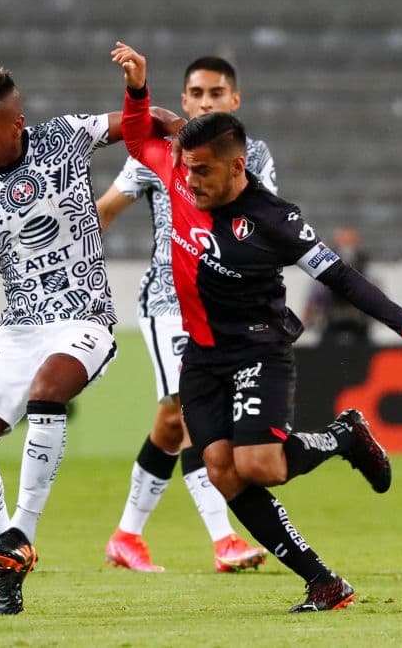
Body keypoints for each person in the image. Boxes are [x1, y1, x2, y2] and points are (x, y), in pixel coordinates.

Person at [112, 42, 402, 612]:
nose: (190, 182)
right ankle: (323, 582)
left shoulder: (275, 219)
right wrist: (137, 89)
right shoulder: (176, 171)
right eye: (186, 169)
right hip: (201, 355)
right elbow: (136, 136)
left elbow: (343, 278)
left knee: (261, 465)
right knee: (223, 473)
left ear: (238, 167)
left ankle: (345, 436)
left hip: (257, 349)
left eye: (203, 173)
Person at [0, 66, 177, 615]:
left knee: (50, 389)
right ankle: (6, 548)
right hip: (20, 327)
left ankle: (23, 528)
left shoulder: (63, 136)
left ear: (16, 124)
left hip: (84, 318)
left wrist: (174, 123)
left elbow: (142, 123)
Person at [96, 56, 273, 573]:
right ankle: (225, 540)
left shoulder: (254, 155)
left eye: (217, 94)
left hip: (222, 305)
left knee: (171, 424)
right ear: (185, 98)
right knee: (196, 416)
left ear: (234, 101)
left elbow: (263, 221)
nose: (205, 102)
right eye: (196, 93)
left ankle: (126, 536)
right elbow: (104, 211)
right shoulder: (161, 153)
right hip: (168, 303)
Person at [302, 226, 372, 345]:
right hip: (331, 327)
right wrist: (307, 322)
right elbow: (313, 302)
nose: (346, 248)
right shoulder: (323, 275)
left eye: (350, 242)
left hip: (359, 329)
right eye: (343, 242)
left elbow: (377, 301)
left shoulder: (368, 273)